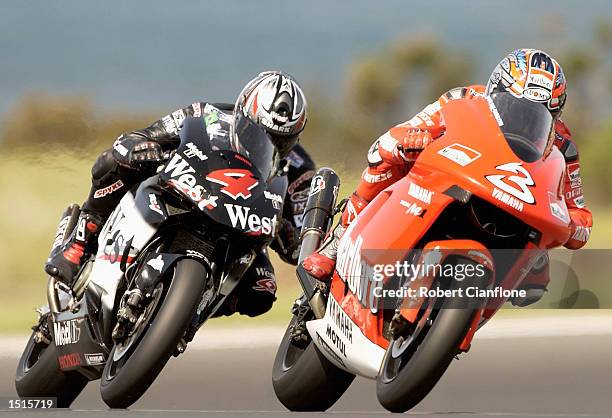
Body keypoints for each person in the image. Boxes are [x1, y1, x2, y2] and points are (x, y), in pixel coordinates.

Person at [302, 49, 593, 306]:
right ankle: (338, 241)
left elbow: (579, 214)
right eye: (515, 107)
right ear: (496, 91)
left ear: (555, 113)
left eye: (540, 113)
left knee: (537, 265)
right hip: (455, 182)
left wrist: (570, 226)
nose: (526, 121)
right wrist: (410, 140)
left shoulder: (563, 148)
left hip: (511, 212)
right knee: (384, 157)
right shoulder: (463, 99)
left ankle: (465, 312)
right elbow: (396, 136)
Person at [45, 70, 316, 317]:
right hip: (190, 192)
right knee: (116, 160)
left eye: (281, 140)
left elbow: (297, 241)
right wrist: (142, 146)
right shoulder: (208, 114)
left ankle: (187, 312)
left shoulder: (299, 167)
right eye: (260, 132)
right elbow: (148, 134)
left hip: (240, 227)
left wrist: (292, 234)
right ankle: (82, 237)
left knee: (261, 292)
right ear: (243, 113)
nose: (268, 143)